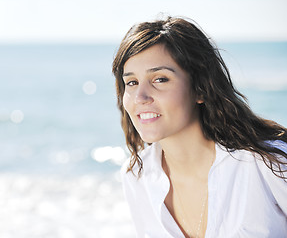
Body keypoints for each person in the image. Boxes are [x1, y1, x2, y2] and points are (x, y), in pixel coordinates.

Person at [112, 16, 287, 238]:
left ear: (200, 88)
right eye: (132, 82)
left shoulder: (267, 164)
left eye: (160, 79)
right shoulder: (136, 176)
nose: (141, 97)